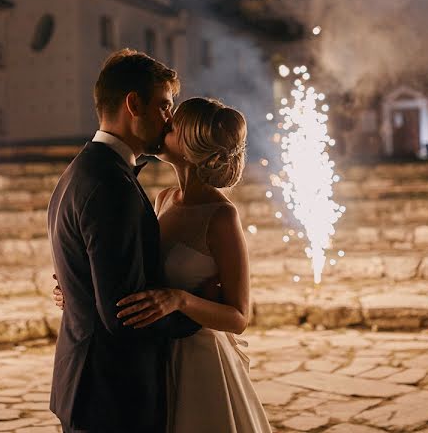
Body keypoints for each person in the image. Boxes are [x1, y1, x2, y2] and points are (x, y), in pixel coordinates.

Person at [55, 96, 272, 433]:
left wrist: (180, 299)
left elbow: (239, 316)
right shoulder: (163, 199)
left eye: (173, 126)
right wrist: (78, 284)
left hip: (198, 359)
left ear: (189, 147)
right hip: (154, 351)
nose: (164, 124)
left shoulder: (222, 217)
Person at [47, 50, 201, 433]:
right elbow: (124, 314)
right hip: (114, 397)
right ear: (134, 103)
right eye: (165, 106)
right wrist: (198, 314)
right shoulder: (110, 185)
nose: (170, 119)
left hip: (88, 385)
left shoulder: (82, 169)